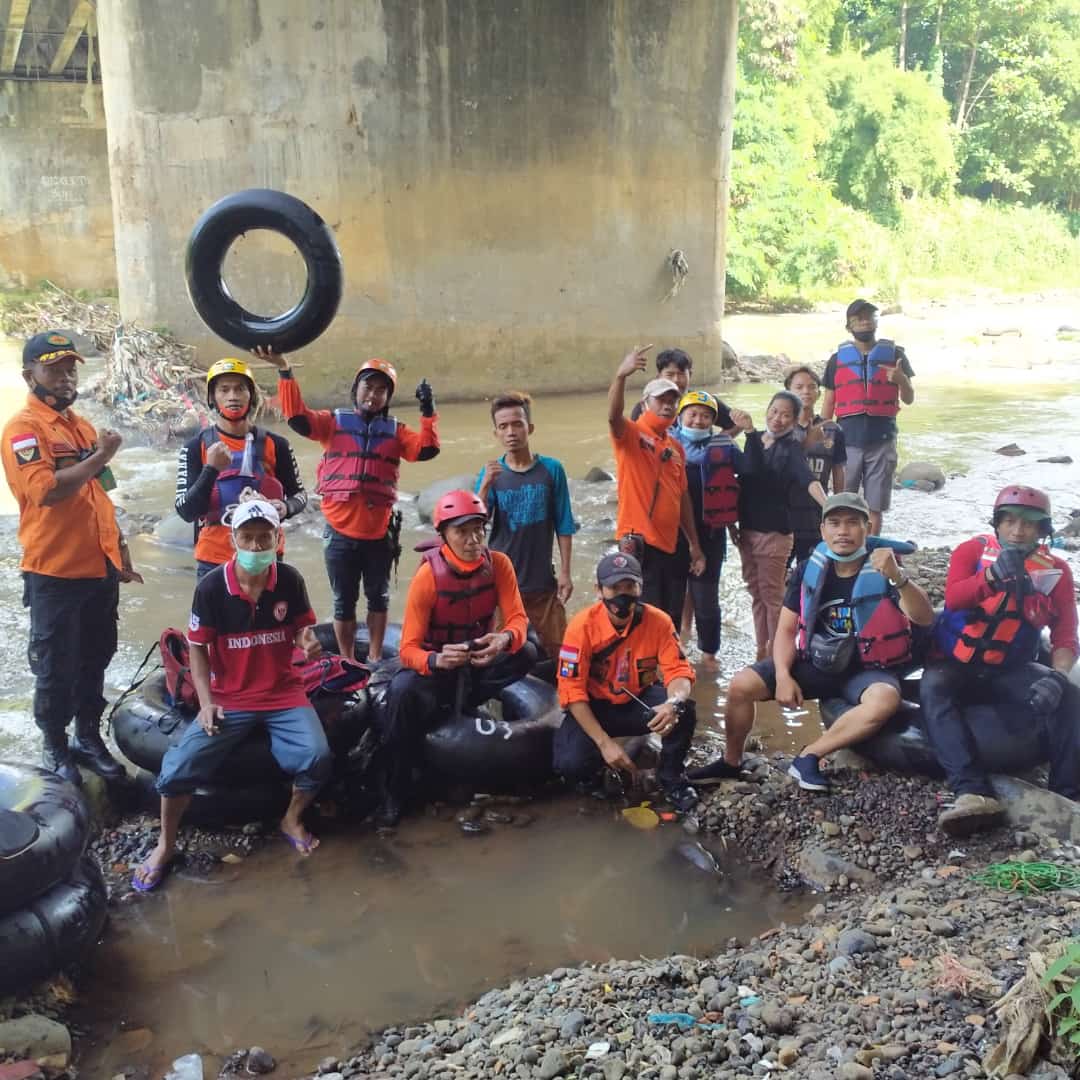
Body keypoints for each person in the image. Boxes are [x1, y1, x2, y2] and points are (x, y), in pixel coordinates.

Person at [132, 501, 331, 891]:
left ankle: (291, 817)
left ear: (278, 538)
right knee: (174, 771)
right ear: (232, 539)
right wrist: (206, 703)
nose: (256, 547)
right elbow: (198, 650)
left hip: (283, 694)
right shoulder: (211, 589)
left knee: (318, 757)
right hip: (231, 698)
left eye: (264, 537)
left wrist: (307, 643)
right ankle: (165, 844)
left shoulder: (289, 580)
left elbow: (301, 630)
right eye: (247, 537)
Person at [693, 492, 933, 790]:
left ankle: (808, 756)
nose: (842, 531)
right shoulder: (811, 567)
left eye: (852, 523)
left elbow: (924, 618)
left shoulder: (886, 569)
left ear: (867, 529)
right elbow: (786, 629)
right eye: (834, 523)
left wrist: (899, 578)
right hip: (818, 662)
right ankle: (730, 762)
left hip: (868, 669)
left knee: (884, 699)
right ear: (823, 530)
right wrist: (782, 675)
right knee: (741, 685)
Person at [1, 332, 143, 786]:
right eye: (54, 369)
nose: (65, 378)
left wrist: (119, 551)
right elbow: (48, 491)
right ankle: (55, 747)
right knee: (55, 665)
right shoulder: (25, 429)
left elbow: (99, 493)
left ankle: (87, 737)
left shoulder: (79, 425)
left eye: (70, 369)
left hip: (98, 569)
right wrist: (101, 454)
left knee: (96, 657)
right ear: (29, 375)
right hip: (55, 572)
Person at [921, 485, 1079, 836]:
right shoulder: (971, 552)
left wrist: (1058, 676)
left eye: (1028, 524)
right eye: (1008, 521)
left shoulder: (1057, 573)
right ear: (997, 524)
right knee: (932, 687)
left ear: (1043, 530)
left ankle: (1067, 795)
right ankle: (971, 791)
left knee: (1069, 697)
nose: (1017, 531)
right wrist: (991, 577)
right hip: (956, 664)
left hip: (1010, 668)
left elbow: (1066, 635)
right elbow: (955, 598)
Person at [266, 348, 440, 662]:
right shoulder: (332, 423)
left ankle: (374, 657)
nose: (373, 395)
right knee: (343, 602)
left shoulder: (397, 432)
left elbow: (426, 450)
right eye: (368, 387)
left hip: (378, 536)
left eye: (381, 390)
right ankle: (346, 658)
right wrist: (285, 372)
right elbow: (296, 417)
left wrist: (428, 412)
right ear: (356, 390)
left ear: (388, 396)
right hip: (339, 534)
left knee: (379, 599)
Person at [376, 490, 535, 826]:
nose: (473, 539)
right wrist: (435, 661)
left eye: (478, 529)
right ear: (444, 536)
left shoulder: (499, 565)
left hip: (478, 657)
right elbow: (408, 650)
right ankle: (393, 790)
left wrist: (503, 638)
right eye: (461, 531)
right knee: (402, 693)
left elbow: (519, 619)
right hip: (439, 663)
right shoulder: (428, 578)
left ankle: (464, 705)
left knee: (529, 651)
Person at [554, 552, 699, 812]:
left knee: (685, 712)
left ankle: (671, 778)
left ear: (640, 587)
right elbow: (571, 692)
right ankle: (597, 781)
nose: (623, 595)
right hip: (595, 706)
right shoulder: (580, 628)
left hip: (637, 699)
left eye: (630, 586)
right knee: (568, 763)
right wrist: (604, 743)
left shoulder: (659, 622)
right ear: (599, 590)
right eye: (614, 588)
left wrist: (673, 702)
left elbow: (679, 670)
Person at [174, 357, 307, 577]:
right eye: (224, 390)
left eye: (240, 389)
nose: (233, 396)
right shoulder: (195, 447)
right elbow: (185, 511)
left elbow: (300, 495)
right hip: (214, 560)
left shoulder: (278, 445)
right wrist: (211, 470)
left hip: (266, 556)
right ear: (212, 397)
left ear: (251, 396)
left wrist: (286, 507)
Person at [475, 391, 578, 662]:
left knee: (563, 653)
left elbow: (564, 523)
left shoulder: (551, 469)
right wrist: (485, 485)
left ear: (529, 428)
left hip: (543, 583)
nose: (511, 432)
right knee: (497, 655)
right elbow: (475, 526)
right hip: (502, 586)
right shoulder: (492, 474)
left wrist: (566, 573)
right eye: (503, 426)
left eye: (517, 424)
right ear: (495, 433)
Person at [608, 344, 705, 626]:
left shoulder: (675, 446)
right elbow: (613, 417)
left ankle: (670, 668)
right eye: (661, 399)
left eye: (673, 401)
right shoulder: (632, 434)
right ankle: (642, 670)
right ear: (646, 402)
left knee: (670, 617)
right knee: (641, 617)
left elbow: (682, 496)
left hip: (672, 545)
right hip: (640, 546)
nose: (668, 405)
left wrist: (694, 545)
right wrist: (620, 376)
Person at [737, 390, 827, 660]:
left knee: (772, 596)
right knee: (755, 592)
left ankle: (779, 654)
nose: (777, 419)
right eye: (774, 411)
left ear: (794, 420)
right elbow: (749, 473)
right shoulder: (758, 440)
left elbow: (808, 479)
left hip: (774, 534)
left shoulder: (790, 449)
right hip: (747, 531)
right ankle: (760, 649)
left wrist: (830, 505)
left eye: (786, 415)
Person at [670, 391, 751, 671]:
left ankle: (708, 653)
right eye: (692, 414)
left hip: (711, 533)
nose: (698, 420)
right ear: (679, 417)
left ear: (714, 422)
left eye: (705, 416)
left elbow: (750, 472)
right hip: (673, 533)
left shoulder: (724, 447)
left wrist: (751, 433)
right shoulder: (666, 446)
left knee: (706, 597)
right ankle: (672, 647)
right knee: (673, 594)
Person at [820, 299, 915, 536]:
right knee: (844, 501)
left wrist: (901, 380)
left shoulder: (896, 355)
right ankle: (844, 546)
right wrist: (823, 436)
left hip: (882, 440)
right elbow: (829, 402)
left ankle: (871, 549)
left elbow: (909, 398)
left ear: (875, 322)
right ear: (849, 325)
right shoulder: (836, 360)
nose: (863, 322)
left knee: (875, 504)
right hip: (846, 442)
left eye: (868, 317)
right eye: (857, 318)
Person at [784, 366, 847, 566]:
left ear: (819, 392)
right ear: (788, 392)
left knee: (814, 571)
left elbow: (838, 468)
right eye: (799, 387)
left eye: (812, 387)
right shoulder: (780, 428)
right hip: (785, 515)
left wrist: (839, 504)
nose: (806, 392)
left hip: (816, 513)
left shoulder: (832, 429)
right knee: (777, 575)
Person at [628, 347, 693, 422]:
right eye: (670, 375)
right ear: (659, 377)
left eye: (681, 374)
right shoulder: (646, 406)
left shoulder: (699, 403)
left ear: (690, 375)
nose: (676, 380)